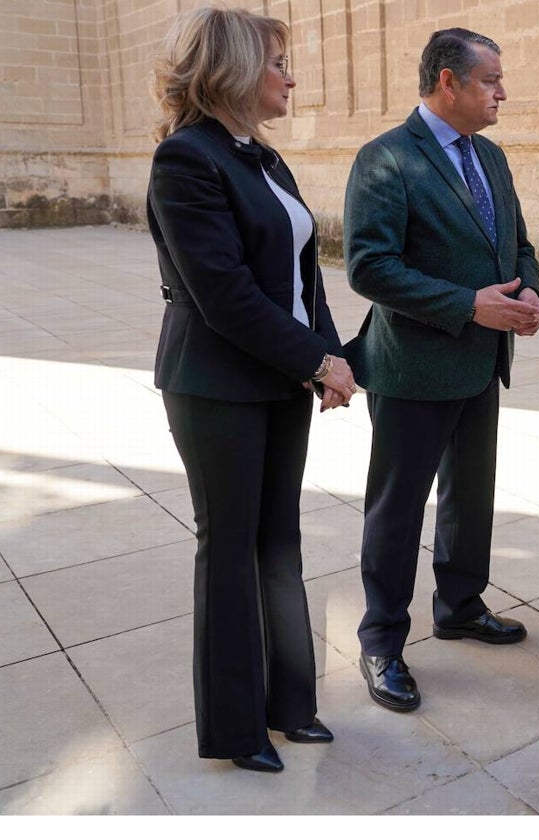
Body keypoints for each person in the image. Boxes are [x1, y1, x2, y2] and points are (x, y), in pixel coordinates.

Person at [148, 7, 356, 772]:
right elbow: (225, 294)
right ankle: (236, 733)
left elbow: (301, 279)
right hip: (215, 386)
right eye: (278, 64)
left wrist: (328, 356)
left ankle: (291, 705)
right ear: (234, 70)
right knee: (230, 546)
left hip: (279, 376)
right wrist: (314, 362)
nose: (291, 78)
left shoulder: (264, 159)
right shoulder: (186, 160)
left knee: (280, 540)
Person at [343, 28, 539, 713]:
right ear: (448, 83)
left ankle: (460, 604)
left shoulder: (490, 156)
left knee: (471, 496)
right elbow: (370, 266)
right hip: (411, 369)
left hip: (482, 361)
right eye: (491, 80)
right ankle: (381, 641)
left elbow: (517, 241)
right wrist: (468, 305)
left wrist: (530, 289)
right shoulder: (387, 158)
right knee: (398, 511)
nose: (503, 93)